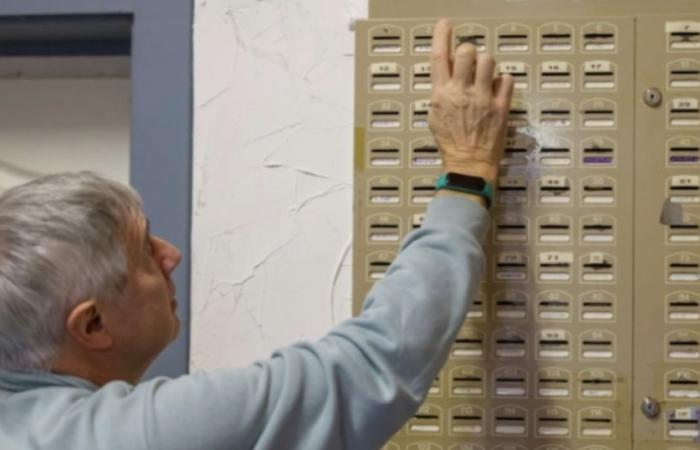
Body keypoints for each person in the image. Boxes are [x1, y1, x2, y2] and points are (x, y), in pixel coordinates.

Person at [0, 19, 513, 450]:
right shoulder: (127, 436)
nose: (171, 255)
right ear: (91, 325)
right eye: (144, 251)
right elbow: (370, 367)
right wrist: (467, 173)